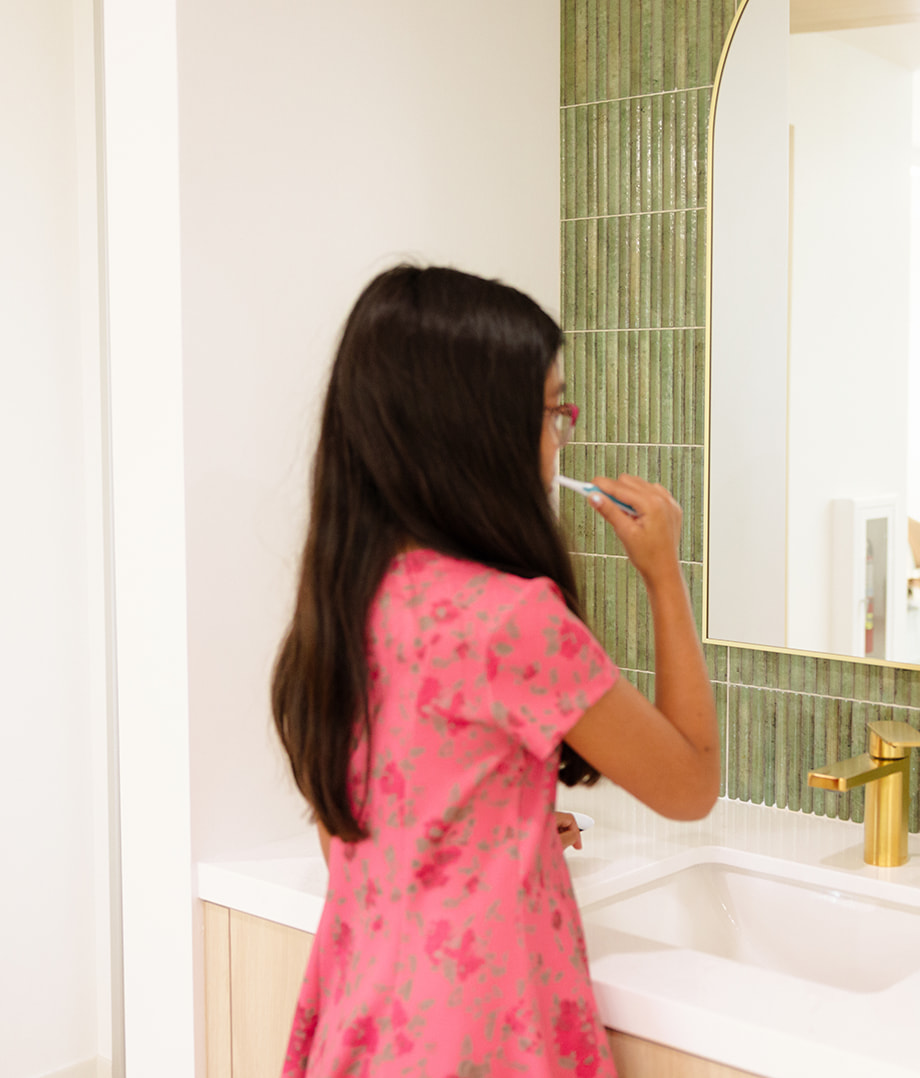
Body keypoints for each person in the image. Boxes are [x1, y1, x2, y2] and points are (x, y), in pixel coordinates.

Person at [270, 265, 719, 1077]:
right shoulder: (511, 620)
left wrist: (498, 824)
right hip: (475, 1032)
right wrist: (664, 573)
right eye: (553, 410)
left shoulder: (353, 595)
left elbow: (395, 794)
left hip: (366, 1013)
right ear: (474, 428)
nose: (560, 435)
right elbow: (689, 783)